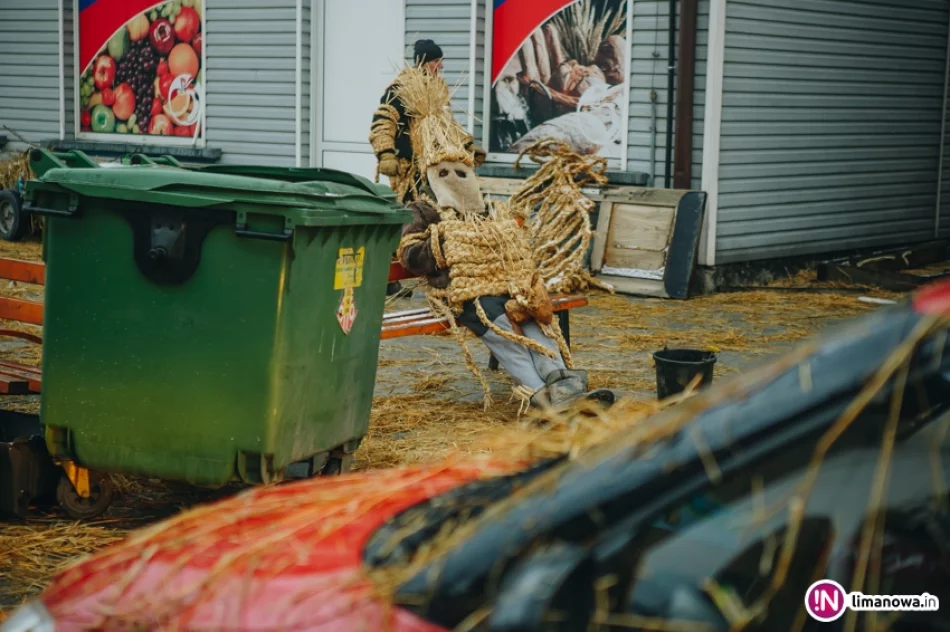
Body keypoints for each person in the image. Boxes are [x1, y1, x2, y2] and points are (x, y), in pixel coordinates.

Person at [370, 39, 486, 205]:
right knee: (414, 211)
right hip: (411, 169)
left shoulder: (438, 91)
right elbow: (384, 121)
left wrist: (466, 145)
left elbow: (447, 124)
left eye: (441, 61)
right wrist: (386, 153)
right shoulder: (401, 90)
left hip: (439, 167)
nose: (441, 66)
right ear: (422, 63)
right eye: (436, 61)